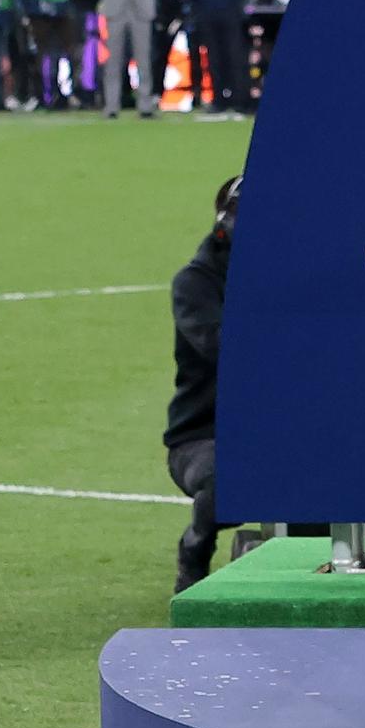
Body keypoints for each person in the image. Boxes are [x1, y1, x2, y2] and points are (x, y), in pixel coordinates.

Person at [165, 175, 237, 589]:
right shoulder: (195, 284)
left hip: (271, 427)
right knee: (221, 473)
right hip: (199, 434)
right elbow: (218, 347)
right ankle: (194, 553)